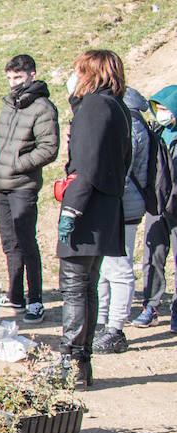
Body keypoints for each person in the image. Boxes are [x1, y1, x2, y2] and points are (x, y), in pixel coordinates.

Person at [54, 51, 130, 384]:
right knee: (87, 287)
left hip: (86, 209)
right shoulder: (118, 108)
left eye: (77, 71)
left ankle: (71, 362)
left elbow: (85, 166)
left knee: (74, 288)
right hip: (105, 208)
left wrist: (71, 209)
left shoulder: (95, 108)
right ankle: (80, 365)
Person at [0, 53, 59, 325]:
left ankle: (36, 299)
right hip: (1, 183)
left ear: (31, 74)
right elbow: (1, 147)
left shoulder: (43, 107)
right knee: (10, 243)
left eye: (17, 77)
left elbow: (49, 148)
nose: (13, 83)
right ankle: (16, 294)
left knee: (27, 242)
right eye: (9, 77)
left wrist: (18, 164)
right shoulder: (9, 105)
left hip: (23, 185)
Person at [94, 87, 154, 353]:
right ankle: (101, 322)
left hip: (124, 204)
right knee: (104, 268)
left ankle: (115, 328)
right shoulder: (125, 119)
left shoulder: (130, 124)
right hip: (113, 202)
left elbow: (120, 168)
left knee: (119, 268)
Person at [135, 86, 177, 331]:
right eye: (158, 108)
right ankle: (150, 305)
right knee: (153, 257)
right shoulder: (156, 131)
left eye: (166, 108)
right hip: (158, 204)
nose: (161, 112)